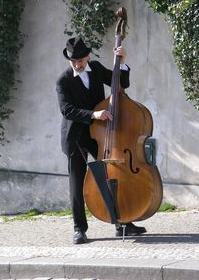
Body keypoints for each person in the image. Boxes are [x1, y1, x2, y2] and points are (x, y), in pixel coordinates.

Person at [56, 36, 146, 244]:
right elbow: (66, 110)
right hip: (76, 137)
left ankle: (121, 222)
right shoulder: (63, 80)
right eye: (73, 61)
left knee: (110, 176)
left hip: (99, 135)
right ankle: (79, 228)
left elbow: (121, 82)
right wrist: (93, 115)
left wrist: (122, 62)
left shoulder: (95, 68)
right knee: (77, 183)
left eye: (80, 60)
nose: (77, 64)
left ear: (87, 56)